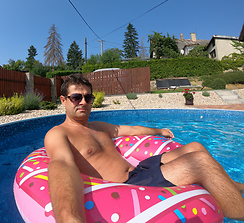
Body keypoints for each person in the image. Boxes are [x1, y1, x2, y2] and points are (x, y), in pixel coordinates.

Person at [44, 74, 244, 223]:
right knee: (199, 162)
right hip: (129, 184)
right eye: (76, 97)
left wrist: (159, 130)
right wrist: (68, 217)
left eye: (88, 98)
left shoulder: (98, 126)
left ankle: (234, 188)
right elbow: (61, 165)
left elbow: (129, 130)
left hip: (139, 169)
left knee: (195, 146)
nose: (84, 102)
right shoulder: (58, 133)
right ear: (63, 100)